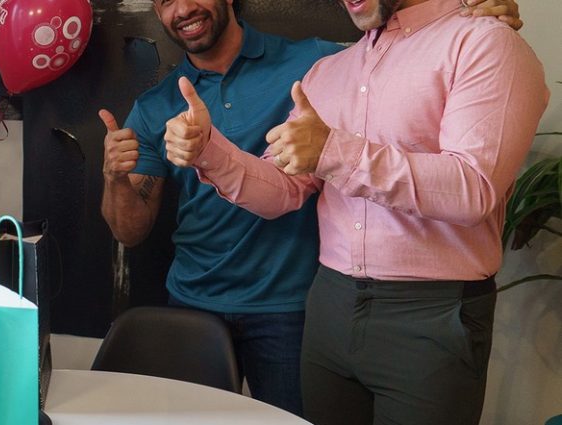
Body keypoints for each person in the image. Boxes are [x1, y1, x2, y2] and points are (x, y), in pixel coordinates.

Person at [99, 0, 520, 415]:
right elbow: (133, 229)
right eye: (166, 1)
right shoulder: (159, 105)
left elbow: (471, 182)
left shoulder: (316, 62)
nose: (182, 9)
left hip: (302, 304)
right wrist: (179, 158)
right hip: (229, 298)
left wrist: (471, 17)